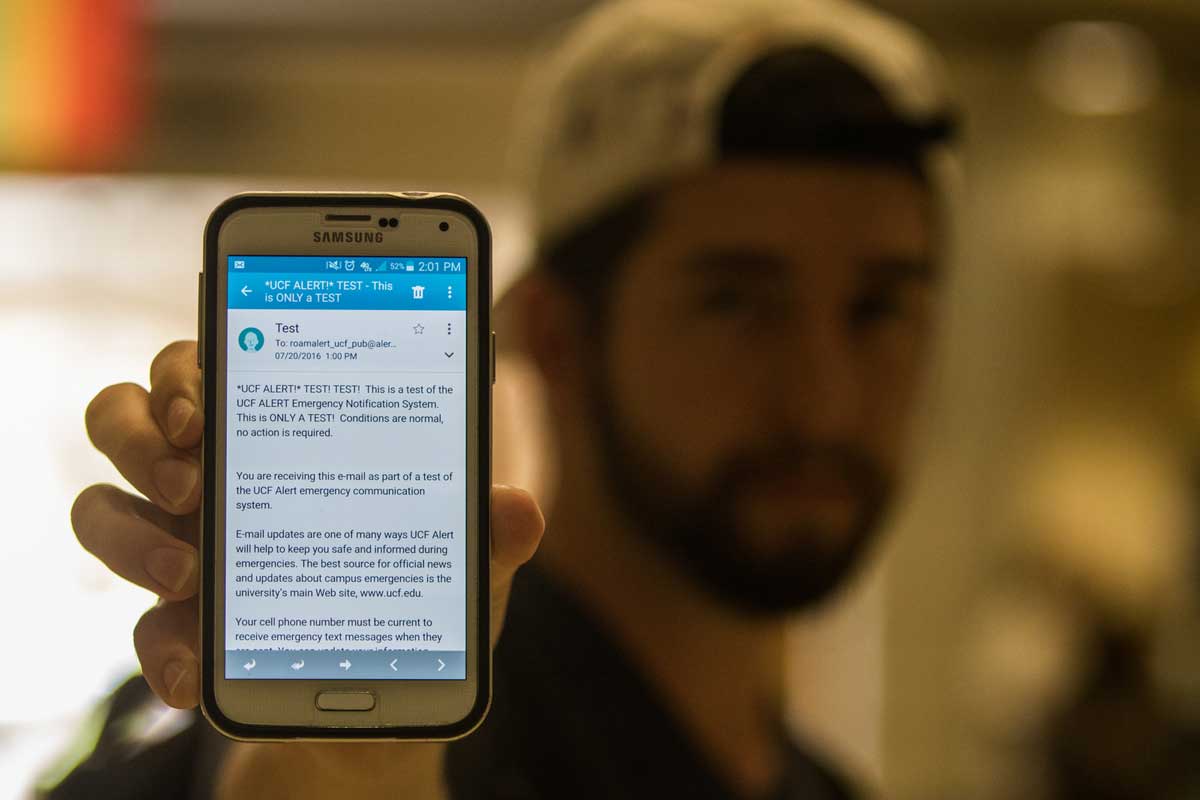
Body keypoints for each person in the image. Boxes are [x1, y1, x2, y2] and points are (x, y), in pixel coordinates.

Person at [54, 0, 959, 798]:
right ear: (556, 335)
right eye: (736, 304)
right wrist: (331, 767)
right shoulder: (408, 725)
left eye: (881, 310)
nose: (825, 400)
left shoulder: (823, 787)